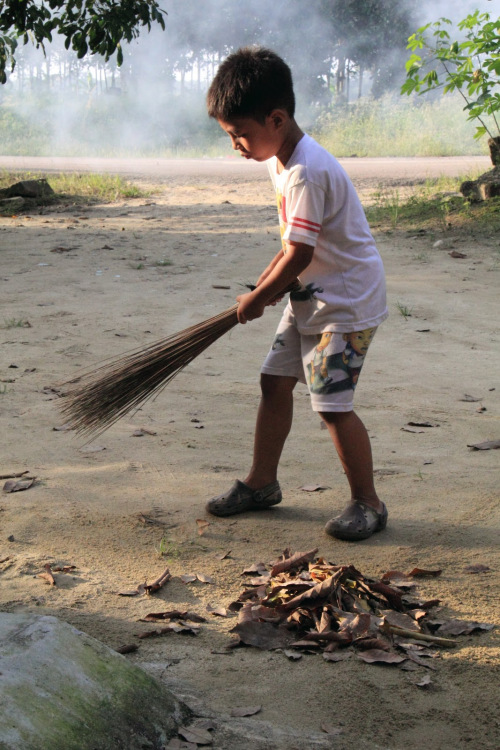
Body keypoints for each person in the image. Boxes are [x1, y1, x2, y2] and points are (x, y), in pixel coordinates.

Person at [204, 47, 389, 541]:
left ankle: (368, 504)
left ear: (277, 118)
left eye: (240, 133)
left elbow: (301, 255)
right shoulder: (279, 160)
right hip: (310, 294)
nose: (236, 145)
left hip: (344, 305)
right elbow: (292, 244)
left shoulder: (306, 170)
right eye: (231, 136)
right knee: (273, 381)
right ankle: (262, 483)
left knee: (332, 404)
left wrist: (260, 298)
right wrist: (266, 283)